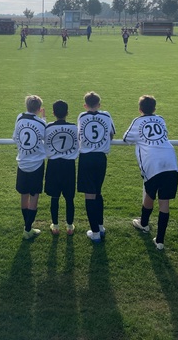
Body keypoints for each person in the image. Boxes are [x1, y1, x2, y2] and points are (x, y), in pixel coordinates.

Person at [124, 95, 178, 250]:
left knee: (150, 193)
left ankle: (144, 223)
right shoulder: (160, 119)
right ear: (154, 108)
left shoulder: (138, 121)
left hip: (153, 163)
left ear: (139, 109)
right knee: (164, 201)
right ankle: (160, 241)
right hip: (170, 161)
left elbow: (126, 138)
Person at [78, 91, 115, 243]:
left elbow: (80, 135)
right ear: (99, 104)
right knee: (98, 192)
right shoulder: (106, 116)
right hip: (101, 158)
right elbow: (111, 134)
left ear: (85, 105)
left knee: (89, 195)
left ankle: (95, 233)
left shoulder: (82, 116)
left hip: (86, 158)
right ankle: (100, 226)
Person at [13, 95, 47, 239]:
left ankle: (27, 226)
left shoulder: (20, 117)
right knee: (34, 196)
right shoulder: (40, 123)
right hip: (37, 164)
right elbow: (46, 138)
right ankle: (28, 228)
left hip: (22, 162)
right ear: (39, 109)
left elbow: (15, 137)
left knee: (24, 194)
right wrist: (44, 118)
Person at [44, 100, 79, 236]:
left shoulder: (48, 127)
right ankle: (69, 226)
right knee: (69, 198)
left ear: (53, 113)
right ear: (67, 113)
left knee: (54, 197)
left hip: (53, 165)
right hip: (69, 165)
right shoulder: (74, 128)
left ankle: (55, 226)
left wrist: (43, 118)